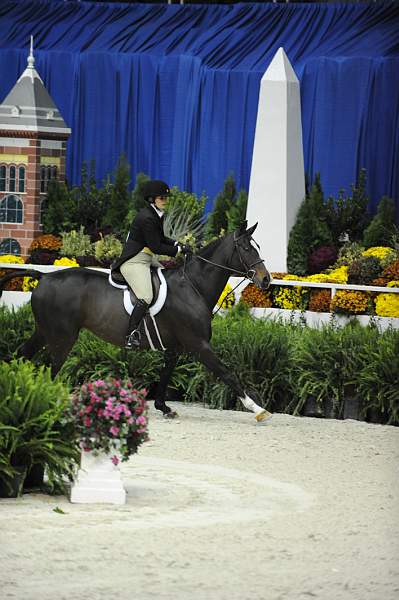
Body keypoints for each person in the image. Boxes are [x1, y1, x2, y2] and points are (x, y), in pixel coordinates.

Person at [111, 180, 191, 349]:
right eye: (162, 198)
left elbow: (161, 238)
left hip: (146, 258)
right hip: (135, 260)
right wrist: (176, 251)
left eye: (166, 198)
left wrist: (179, 244)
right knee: (146, 296)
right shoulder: (147, 217)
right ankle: (130, 335)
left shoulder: (155, 214)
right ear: (152, 199)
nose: (165, 201)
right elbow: (155, 246)